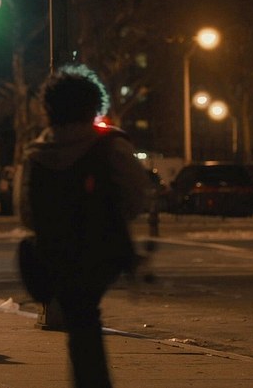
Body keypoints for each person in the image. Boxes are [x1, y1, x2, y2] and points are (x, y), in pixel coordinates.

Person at [19, 64, 149, 388]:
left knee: (80, 316)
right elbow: (136, 195)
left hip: (56, 250)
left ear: (49, 108)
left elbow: (26, 212)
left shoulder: (37, 154)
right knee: (84, 315)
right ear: (93, 105)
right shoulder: (110, 146)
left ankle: (89, 378)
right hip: (102, 248)